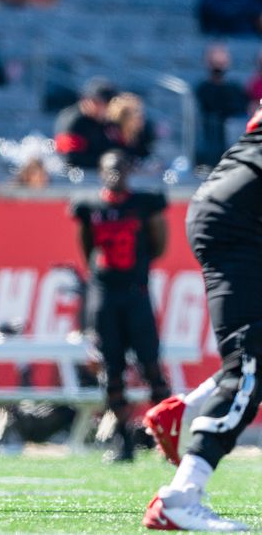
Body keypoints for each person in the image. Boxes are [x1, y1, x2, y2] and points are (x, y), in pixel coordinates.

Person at [140, 102, 262, 533]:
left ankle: (183, 410)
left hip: (234, 210)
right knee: (248, 366)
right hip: (240, 222)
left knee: (255, 355)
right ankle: (180, 497)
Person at [69, 150, 171, 463]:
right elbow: (87, 248)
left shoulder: (144, 202)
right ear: (100, 171)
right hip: (104, 296)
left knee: (151, 367)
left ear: (129, 170)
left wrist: (137, 270)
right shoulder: (89, 206)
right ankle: (123, 440)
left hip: (135, 292)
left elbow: (158, 244)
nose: (115, 174)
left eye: (120, 169)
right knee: (111, 371)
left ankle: (166, 440)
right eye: (109, 169)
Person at [195, 44, 248, 169]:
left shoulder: (235, 89)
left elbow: (240, 112)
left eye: (221, 62)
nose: (218, 66)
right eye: (215, 62)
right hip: (208, 140)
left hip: (233, 140)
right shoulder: (202, 89)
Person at [54, 77, 117, 169]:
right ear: (86, 100)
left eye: (109, 103)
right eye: (101, 103)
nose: (105, 107)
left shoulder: (107, 121)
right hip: (77, 178)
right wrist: (106, 160)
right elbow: (71, 159)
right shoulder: (73, 122)